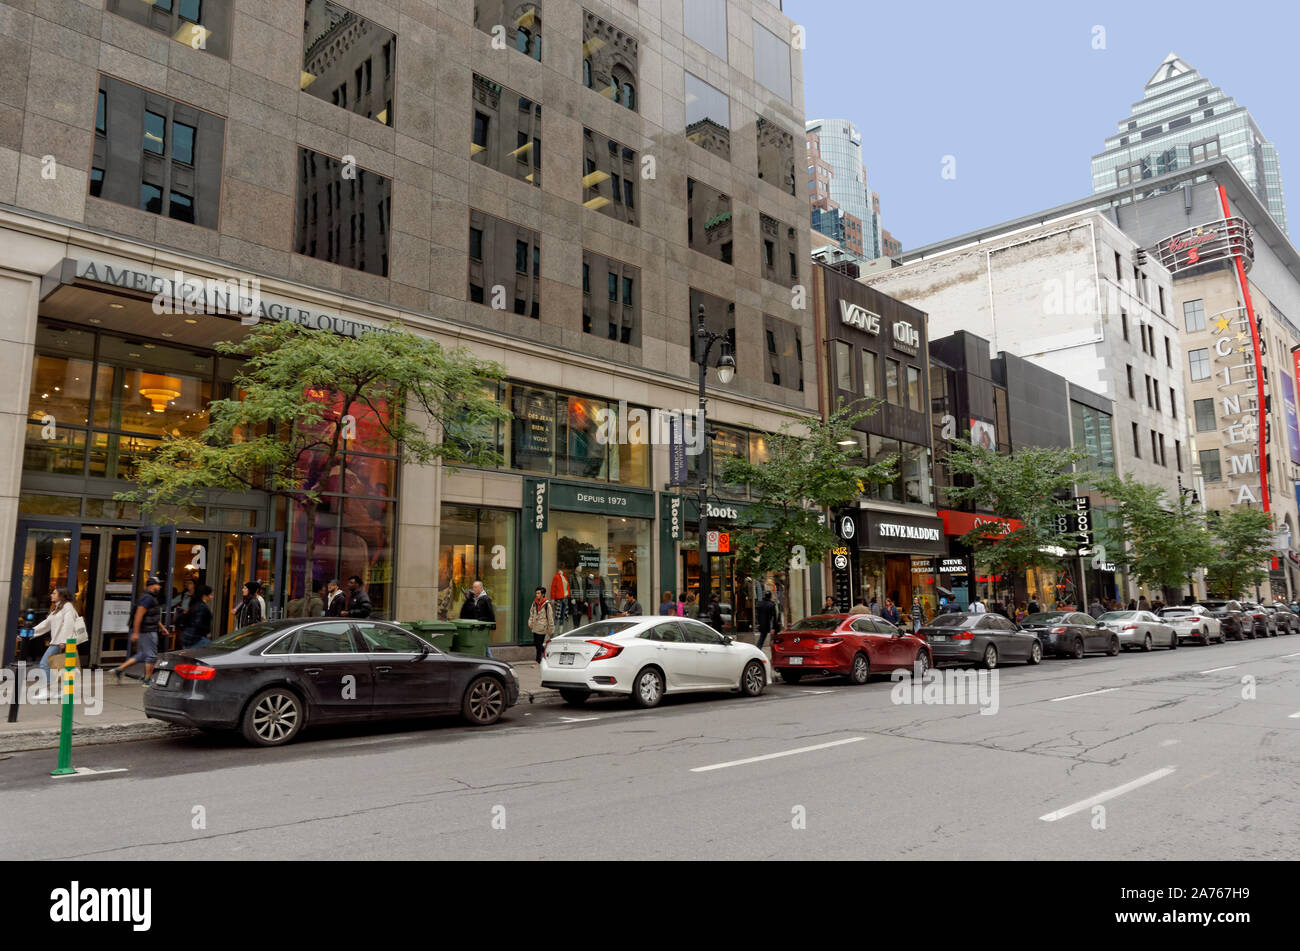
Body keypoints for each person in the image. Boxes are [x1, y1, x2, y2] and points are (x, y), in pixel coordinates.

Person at [112, 575, 166, 684]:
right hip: (147, 631)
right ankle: (147, 680)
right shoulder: (147, 598)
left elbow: (152, 615)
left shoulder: (150, 597)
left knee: (142, 654)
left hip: (147, 630)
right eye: (158, 584)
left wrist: (162, 627)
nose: (160, 587)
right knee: (151, 656)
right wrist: (136, 632)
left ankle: (119, 669)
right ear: (151, 586)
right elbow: (138, 615)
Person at [31, 587, 79, 699]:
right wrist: (28, 634)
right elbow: (45, 624)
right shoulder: (57, 608)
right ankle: (65, 691)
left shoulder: (68, 607)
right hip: (58, 641)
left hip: (60, 642)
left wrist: (64, 641)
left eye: (54, 593)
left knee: (44, 663)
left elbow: (69, 625)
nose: (51, 595)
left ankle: (46, 690)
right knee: (63, 667)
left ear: (61, 595)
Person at [180, 585, 214, 649]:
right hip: (195, 639)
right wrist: (207, 632)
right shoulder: (202, 607)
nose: (212, 597)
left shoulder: (194, 605)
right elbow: (198, 624)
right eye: (211, 595)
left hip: (187, 637)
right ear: (204, 596)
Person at [527, 587, 554, 663]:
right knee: (536, 643)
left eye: (538, 593)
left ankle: (538, 660)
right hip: (535, 627)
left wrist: (550, 629)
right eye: (536, 593)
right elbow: (531, 613)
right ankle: (546, 651)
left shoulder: (547, 605)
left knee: (539, 644)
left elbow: (550, 618)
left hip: (542, 628)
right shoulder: (534, 603)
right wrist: (530, 622)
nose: (537, 595)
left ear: (543, 594)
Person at [550, 565, 570, 631]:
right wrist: (552, 598)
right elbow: (553, 588)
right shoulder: (556, 577)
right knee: (557, 614)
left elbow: (567, 587)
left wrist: (568, 595)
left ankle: (560, 629)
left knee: (563, 614)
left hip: (565, 597)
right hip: (559, 598)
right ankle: (553, 628)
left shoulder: (565, 577)